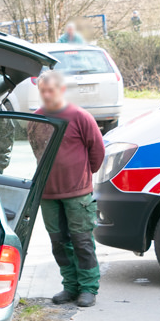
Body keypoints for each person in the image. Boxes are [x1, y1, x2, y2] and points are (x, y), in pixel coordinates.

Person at [28, 70, 104, 307]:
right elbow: (37, 151)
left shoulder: (80, 116)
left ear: (61, 90)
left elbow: (97, 152)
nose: (46, 95)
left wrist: (81, 177)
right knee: (59, 243)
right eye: (42, 91)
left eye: (50, 90)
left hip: (77, 193)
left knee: (82, 242)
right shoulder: (37, 118)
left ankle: (88, 288)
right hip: (48, 194)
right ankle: (70, 286)